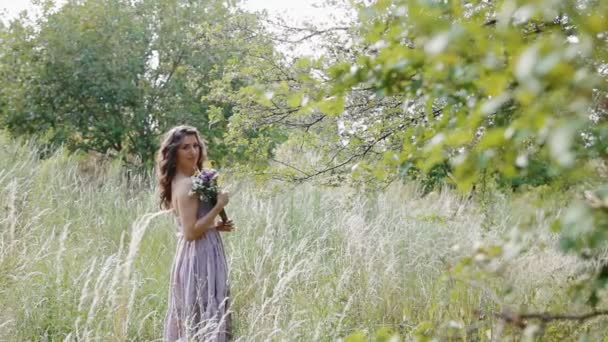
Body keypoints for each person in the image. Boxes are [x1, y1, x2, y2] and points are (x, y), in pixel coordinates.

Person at [156, 125, 234, 341]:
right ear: (174, 153)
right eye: (185, 148)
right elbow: (190, 232)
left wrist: (215, 225)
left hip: (195, 251)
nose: (193, 152)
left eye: (196, 145)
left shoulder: (181, 180)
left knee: (196, 311)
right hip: (200, 255)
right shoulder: (187, 184)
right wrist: (219, 206)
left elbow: (190, 224)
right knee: (203, 310)